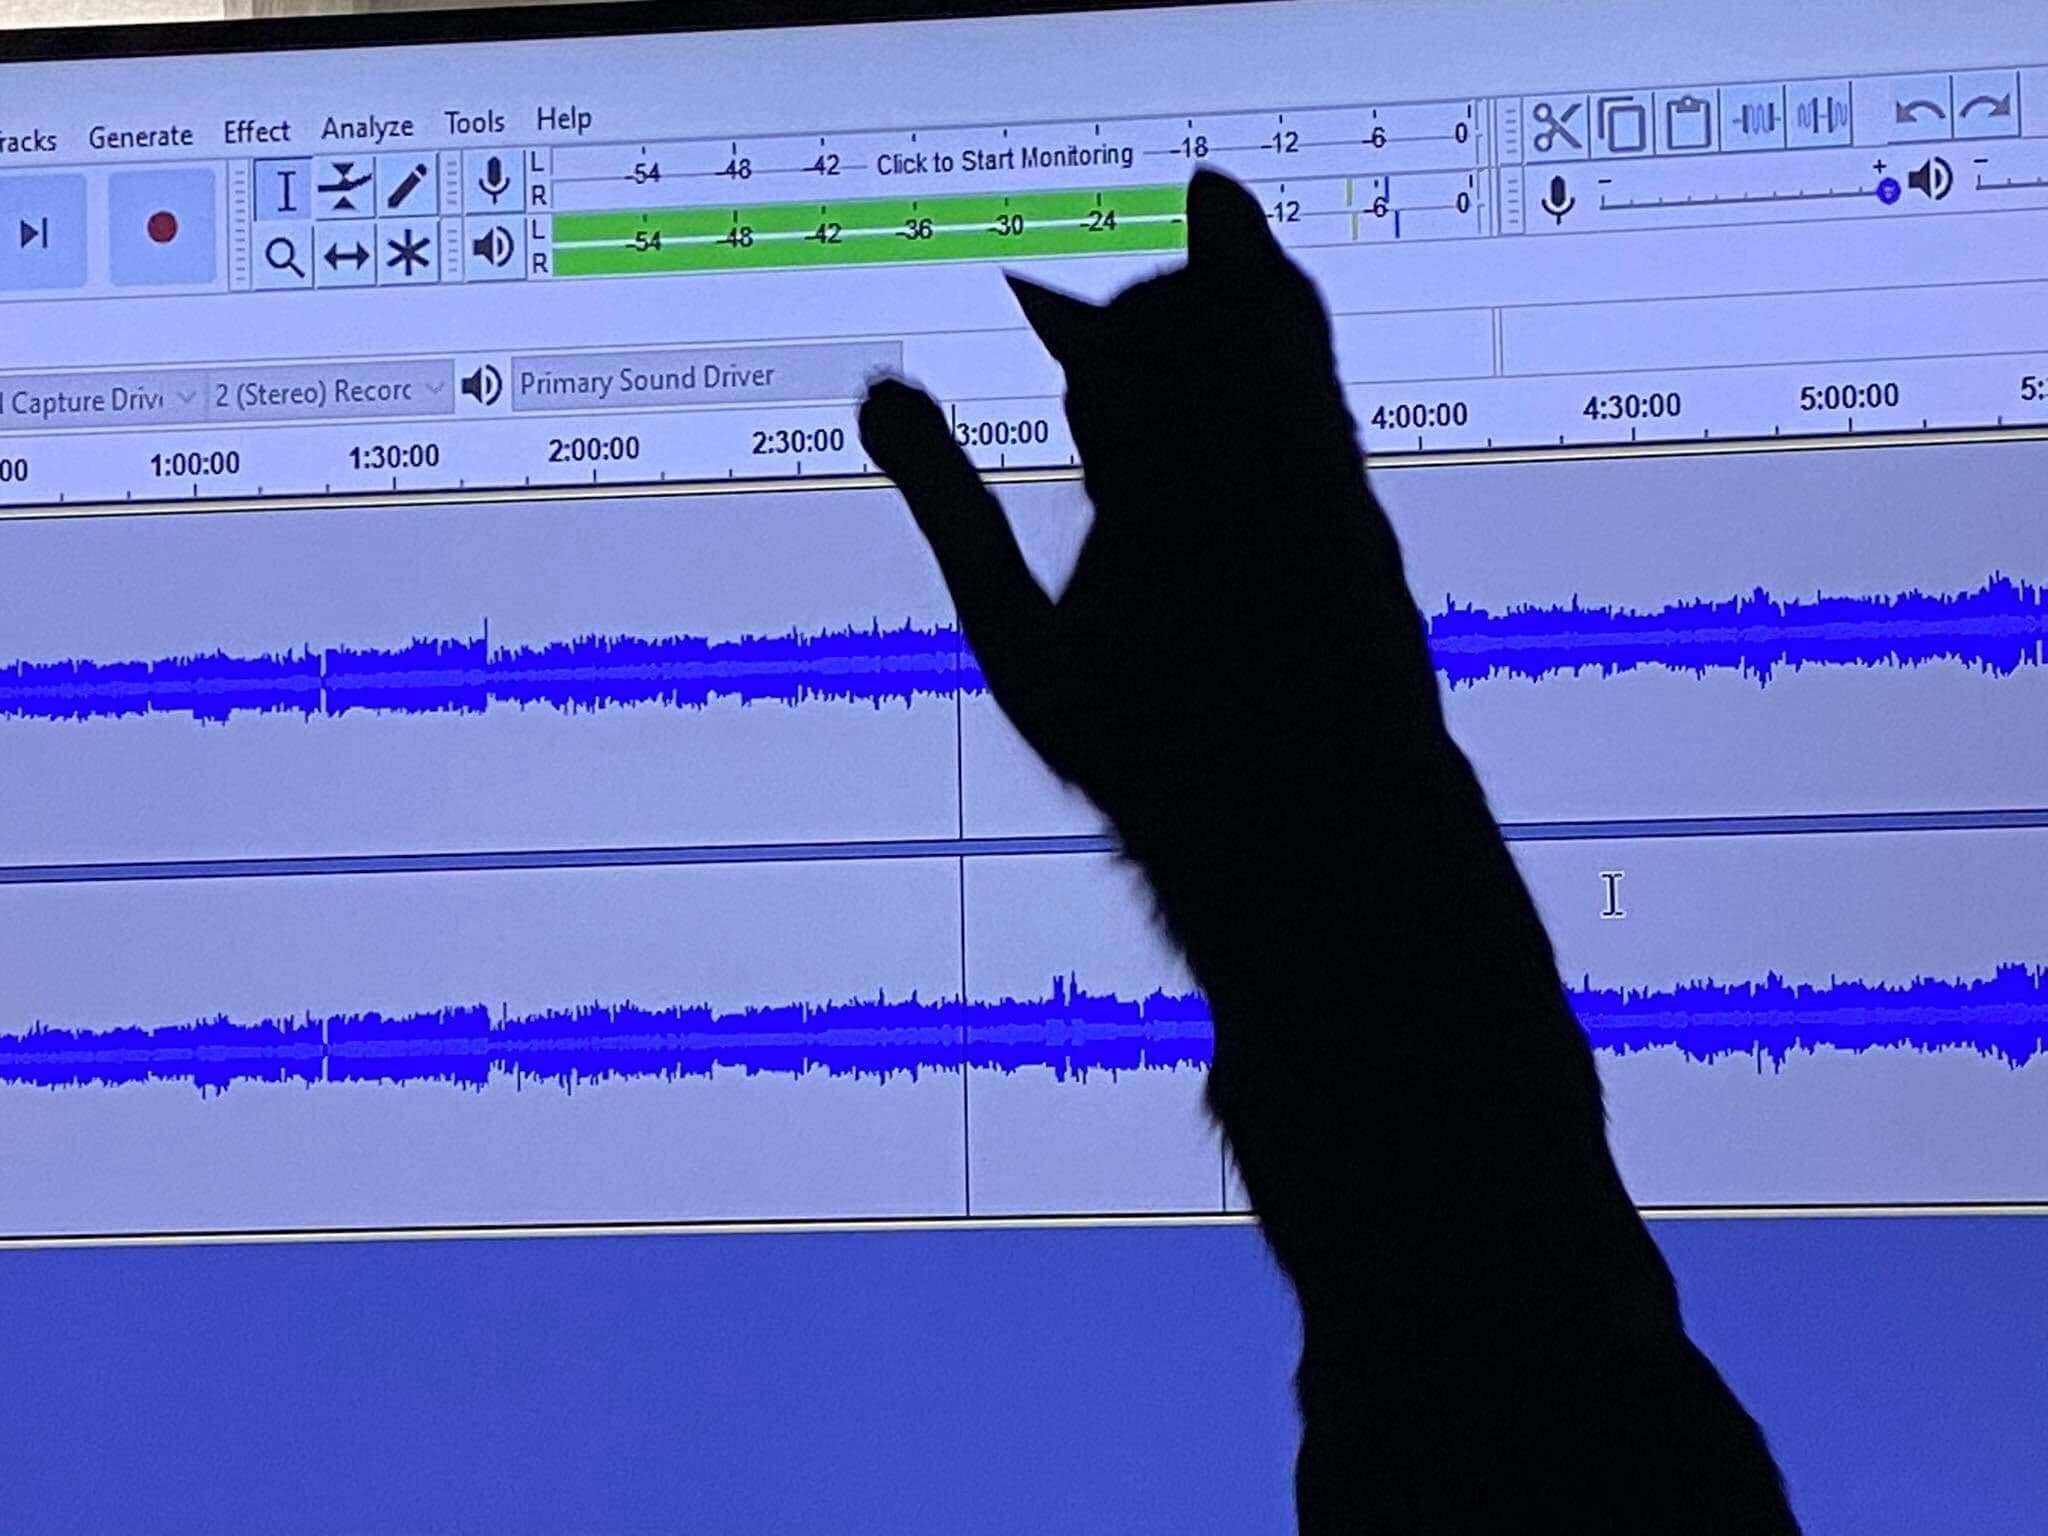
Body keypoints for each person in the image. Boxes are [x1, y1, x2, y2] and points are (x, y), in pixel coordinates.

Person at [857, 168, 1802, 1534]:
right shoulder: (1329, 557)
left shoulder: (1232, 556)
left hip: (1408, 1368)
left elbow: (1074, 713)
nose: (1105, 470)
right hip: (1577, 1350)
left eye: (1106, 430)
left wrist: (939, 482)